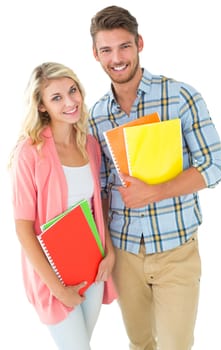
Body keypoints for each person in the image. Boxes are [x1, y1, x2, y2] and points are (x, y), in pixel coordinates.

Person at [89, 5, 221, 350]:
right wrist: (104, 248)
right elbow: (102, 188)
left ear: (139, 44)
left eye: (124, 46)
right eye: (106, 50)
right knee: (139, 343)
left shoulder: (180, 96)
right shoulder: (96, 115)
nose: (116, 58)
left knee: (175, 345)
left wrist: (157, 191)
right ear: (96, 54)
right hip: (124, 253)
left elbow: (215, 166)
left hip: (176, 249)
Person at [9, 62, 116, 350]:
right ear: (41, 106)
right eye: (56, 97)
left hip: (93, 267)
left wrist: (109, 253)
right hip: (53, 277)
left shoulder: (90, 145)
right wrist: (58, 289)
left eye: (73, 91)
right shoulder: (29, 152)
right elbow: (22, 228)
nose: (70, 102)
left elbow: (99, 206)